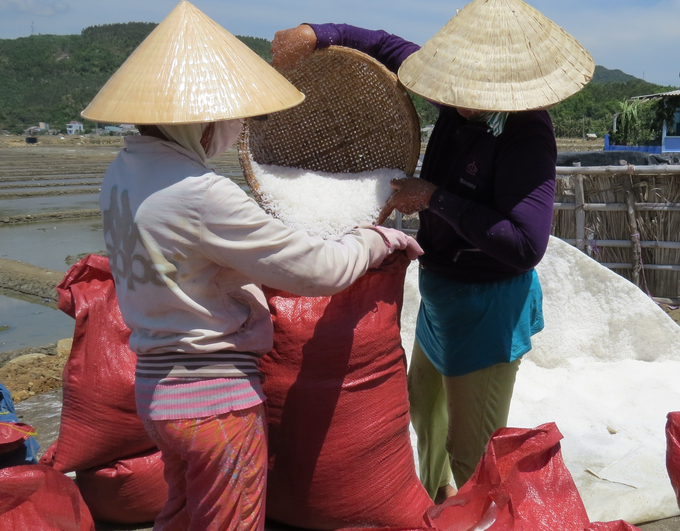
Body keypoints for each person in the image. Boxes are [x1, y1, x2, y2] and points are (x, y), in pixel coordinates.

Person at [81, 2, 422, 530]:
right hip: (213, 399)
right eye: (237, 114)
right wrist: (373, 240)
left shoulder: (122, 172)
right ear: (206, 115)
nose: (241, 126)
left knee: (180, 514)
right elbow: (318, 271)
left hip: (157, 392)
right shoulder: (200, 193)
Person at [272, 0, 594, 504]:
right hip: (442, 295)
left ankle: (483, 512)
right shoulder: (454, 91)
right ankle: (437, 506)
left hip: (487, 305)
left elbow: (525, 244)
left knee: (474, 449)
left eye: (469, 96)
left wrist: (434, 198)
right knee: (422, 409)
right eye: (454, 91)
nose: (456, 102)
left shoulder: (526, 133)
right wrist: (317, 31)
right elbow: (380, 44)